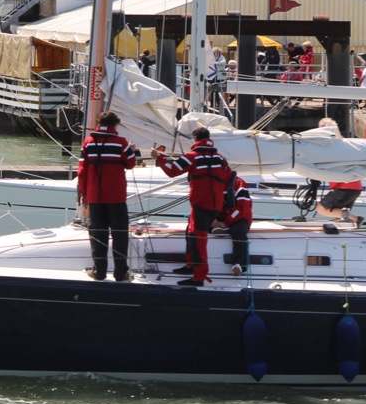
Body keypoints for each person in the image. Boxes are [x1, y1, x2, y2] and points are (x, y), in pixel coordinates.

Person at [156, 127, 233, 287]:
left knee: (198, 239)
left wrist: (159, 158)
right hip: (214, 205)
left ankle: (199, 277)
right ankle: (191, 266)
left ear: (195, 140)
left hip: (201, 205)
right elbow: (228, 177)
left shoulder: (192, 157)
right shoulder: (220, 158)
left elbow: (172, 171)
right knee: (191, 233)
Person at [77, 111, 140, 282]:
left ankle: (99, 272)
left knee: (98, 234)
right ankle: (121, 273)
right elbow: (131, 163)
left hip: (95, 197)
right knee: (119, 234)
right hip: (116, 197)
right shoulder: (121, 143)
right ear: (115, 125)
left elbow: (82, 171)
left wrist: (83, 194)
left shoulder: (88, 142)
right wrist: (132, 151)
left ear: (99, 123)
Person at [216, 172, 252, 276]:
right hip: (218, 218)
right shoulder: (211, 183)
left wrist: (226, 222)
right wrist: (213, 219)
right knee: (195, 225)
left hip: (240, 217)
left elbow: (242, 208)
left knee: (238, 232)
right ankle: (193, 264)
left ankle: (239, 264)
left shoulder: (239, 184)